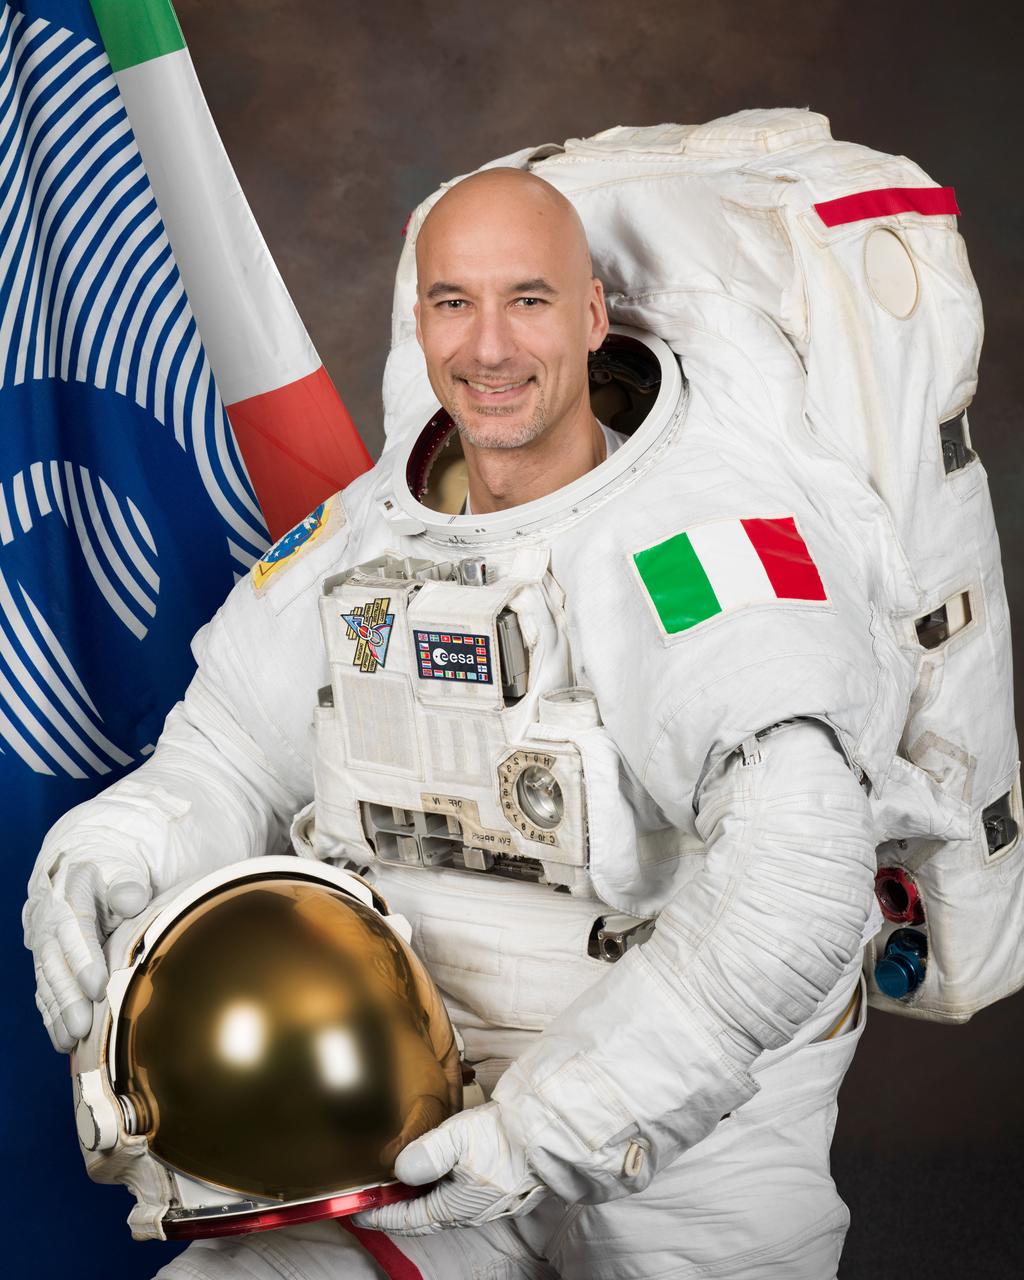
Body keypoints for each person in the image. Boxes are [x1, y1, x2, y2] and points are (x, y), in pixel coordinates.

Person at [25, 166, 887, 1279]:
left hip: (684, 1112)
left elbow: (800, 871)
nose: (488, 347)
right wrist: (113, 851)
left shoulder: (698, 545)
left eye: (527, 299)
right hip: (406, 1085)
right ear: (418, 321)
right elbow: (228, 750)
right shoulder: (360, 538)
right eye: (452, 302)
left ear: (588, 318)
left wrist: (550, 1126)